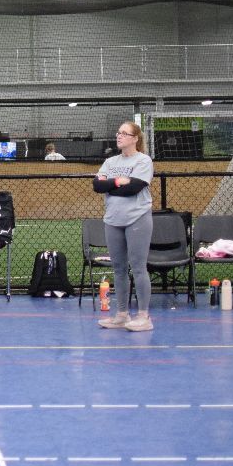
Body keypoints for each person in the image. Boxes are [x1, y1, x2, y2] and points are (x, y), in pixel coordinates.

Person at [94, 121, 155, 332]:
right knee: (119, 269)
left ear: (135, 138)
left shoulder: (143, 160)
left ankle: (144, 317)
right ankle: (121, 315)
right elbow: (97, 185)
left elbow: (134, 188)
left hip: (137, 218)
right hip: (113, 220)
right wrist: (118, 181)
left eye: (124, 133)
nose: (119, 136)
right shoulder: (110, 161)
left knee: (138, 267)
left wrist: (110, 185)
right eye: (118, 132)